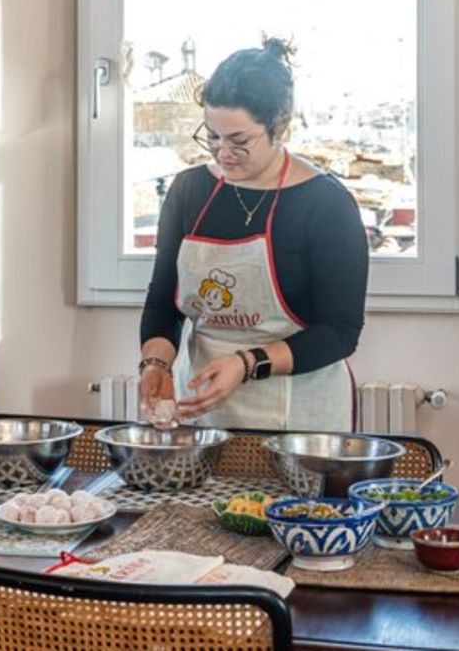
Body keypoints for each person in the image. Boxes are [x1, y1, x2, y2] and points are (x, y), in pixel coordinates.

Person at [138, 37, 368, 431]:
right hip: (203, 404)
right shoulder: (189, 192)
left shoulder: (326, 204)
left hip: (299, 413)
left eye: (239, 140)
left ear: (281, 129)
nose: (222, 151)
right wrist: (156, 363)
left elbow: (339, 332)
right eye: (211, 135)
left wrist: (245, 364)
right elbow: (164, 301)